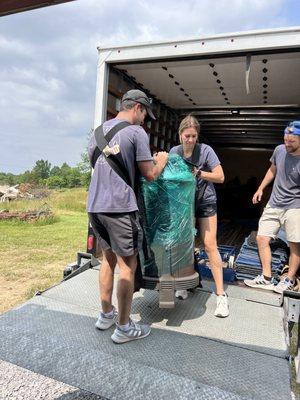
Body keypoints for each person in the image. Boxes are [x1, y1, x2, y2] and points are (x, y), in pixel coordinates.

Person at [87, 89, 168, 343]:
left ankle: (106, 314)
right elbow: (150, 174)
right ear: (137, 108)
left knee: (107, 261)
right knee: (127, 267)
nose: (145, 120)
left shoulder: (97, 132)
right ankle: (123, 327)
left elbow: (100, 167)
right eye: (145, 114)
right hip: (120, 208)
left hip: (95, 206)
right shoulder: (136, 133)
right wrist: (162, 160)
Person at [169, 115, 229, 317]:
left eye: (194, 136)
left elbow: (220, 176)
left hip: (205, 201)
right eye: (187, 136)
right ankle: (183, 284)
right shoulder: (174, 152)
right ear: (180, 135)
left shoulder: (205, 150)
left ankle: (221, 296)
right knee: (183, 244)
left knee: (210, 244)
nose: (191, 140)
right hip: (184, 203)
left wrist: (199, 173)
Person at [244, 121, 300, 293]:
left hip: (295, 205)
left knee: (294, 245)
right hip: (274, 202)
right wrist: (260, 189)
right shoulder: (279, 150)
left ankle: (289, 279)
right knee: (262, 238)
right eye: (285, 140)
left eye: (291, 141)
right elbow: (272, 170)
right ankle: (266, 277)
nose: (287, 144)